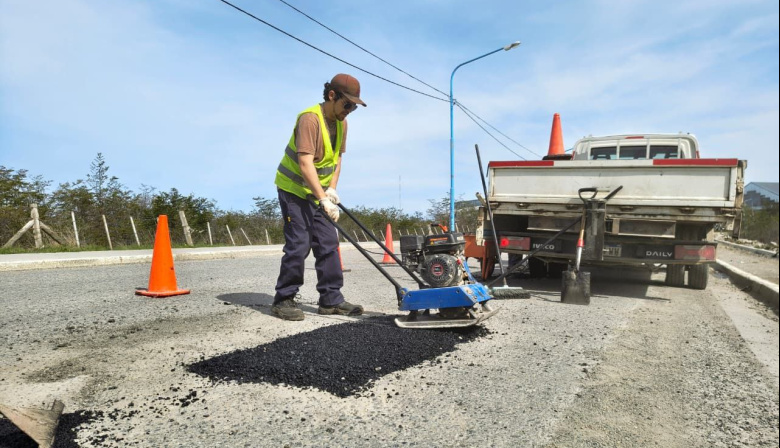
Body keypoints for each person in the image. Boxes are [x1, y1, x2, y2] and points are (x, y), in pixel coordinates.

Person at [271, 74, 367, 321]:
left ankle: (331, 300)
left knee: (328, 243)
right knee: (299, 244)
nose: (350, 110)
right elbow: (304, 163)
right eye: (347, 104)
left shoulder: (342, 123)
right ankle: (284, 299)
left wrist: (331, 191)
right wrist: (322, 198)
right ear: (332, 96)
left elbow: (337, 160)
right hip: (294, 190)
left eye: (354, 107)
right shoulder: (310, 119)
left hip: (319, 193)